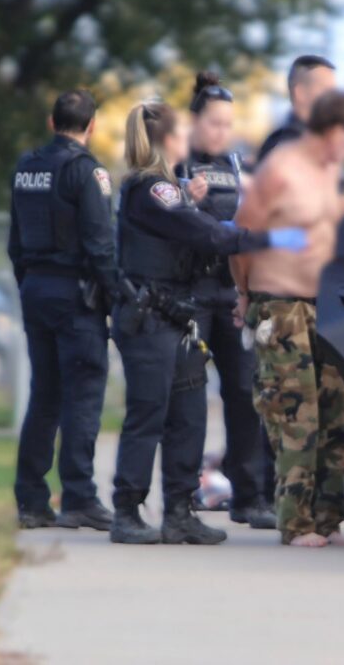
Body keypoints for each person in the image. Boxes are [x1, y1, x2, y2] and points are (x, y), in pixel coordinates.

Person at [111, 101, 307, 545]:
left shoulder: (168, 189)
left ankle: (180, 512)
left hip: (175, 318)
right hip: (150, 320)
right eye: (181, 133)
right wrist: (274, 239)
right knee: (148, 415)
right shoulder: (151, 188)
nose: (188, 139)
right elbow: (209, 234)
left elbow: (194, 229)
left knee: (190, 415)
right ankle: (127, 511)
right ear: (168, 140)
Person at [232, 91, 344, 548]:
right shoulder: (279, 171)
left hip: (322, 307)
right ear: (331, 131)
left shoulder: (327, 172)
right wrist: (245, 295)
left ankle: (328, 517)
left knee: (337, 417)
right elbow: (242, 237)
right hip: (280, 306)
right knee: (297, 419)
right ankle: (295, 523)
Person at [8, 90, 118, 531]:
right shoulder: (86, 171)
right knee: (82, 397)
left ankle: (31, 500)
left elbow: (15, 242)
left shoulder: (26, 167)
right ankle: (79, 498)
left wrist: (29, 283)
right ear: (92, 126)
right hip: (75, 296)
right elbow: (100, 246)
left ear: (52, 123)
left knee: (45, 395)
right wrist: (117, 299)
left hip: (36, 288)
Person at [177, 73, 274, 529]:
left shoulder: (235, 163)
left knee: (245, 394)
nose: (221, 132)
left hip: (229, 292)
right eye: (214, 123)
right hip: (190, 295)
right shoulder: (177, 161)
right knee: (188, 401)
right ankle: (181, 499)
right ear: (195, 121)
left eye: (227, 124)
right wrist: (184, 199)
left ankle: (249, 497)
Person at [257, 55, 336, 163]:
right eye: (326, 90)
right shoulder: (288, 146)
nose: (334, 98)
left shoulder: (318, 140)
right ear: (300, 92)